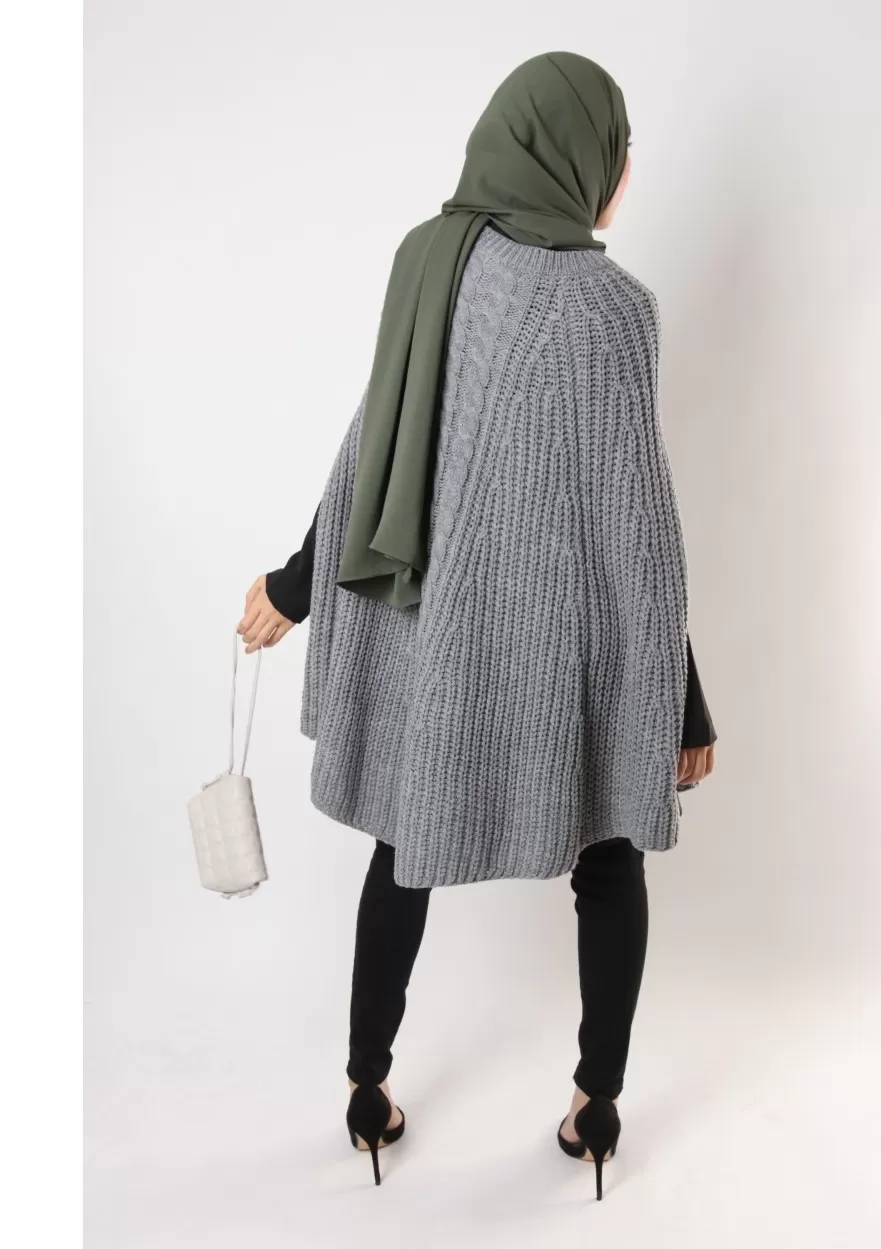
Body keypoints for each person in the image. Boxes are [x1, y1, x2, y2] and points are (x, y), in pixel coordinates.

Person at [237, 51, 717, 1200]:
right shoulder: (613, 311)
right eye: (618, 149)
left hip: (432, 638)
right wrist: (682, 707)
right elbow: (638, 533)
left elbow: (368, 446)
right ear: (577, 156)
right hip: (559, 654)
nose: (626, 173)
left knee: (401, 847)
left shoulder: (428, 260)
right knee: (609, 854)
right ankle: (597, 1109)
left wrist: (296, 584)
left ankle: (365, 1089)